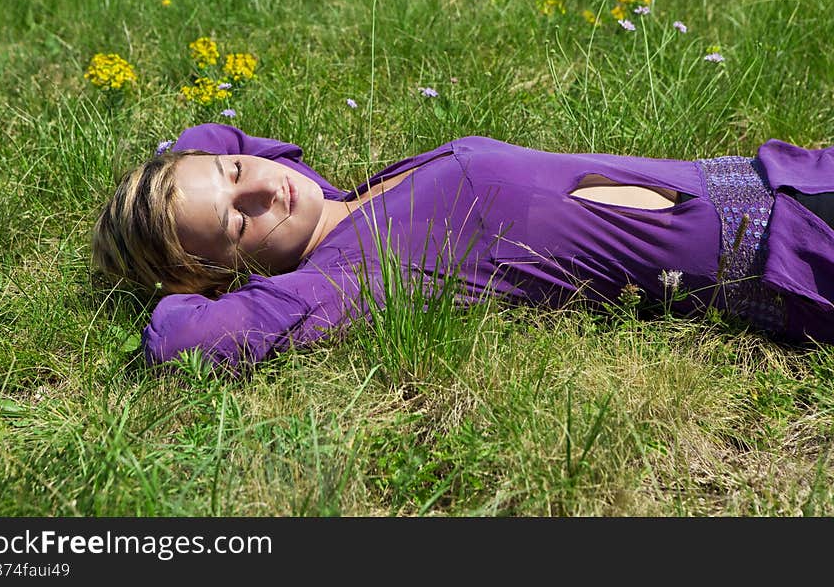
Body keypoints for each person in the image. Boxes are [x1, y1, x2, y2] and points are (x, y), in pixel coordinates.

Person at [92, 123, 834, 370]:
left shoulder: (335, 201)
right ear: (225, 272)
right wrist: (171, 279)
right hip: (790, 251)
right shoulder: (350, 276)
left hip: (782, 176)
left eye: (233, 174)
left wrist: (175, 184)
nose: (261, 188)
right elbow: (185, 342)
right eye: (234, 224)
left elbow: (214, 140)